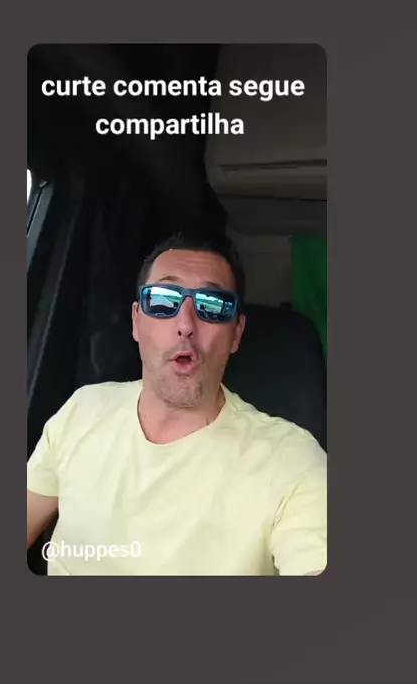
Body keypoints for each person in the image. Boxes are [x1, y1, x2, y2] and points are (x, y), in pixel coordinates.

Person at [27, 230, 327, 576]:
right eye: (163, 300)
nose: (185, 324)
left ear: (236, 333)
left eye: (212, 305)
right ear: (136, 321)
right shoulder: (83, 410)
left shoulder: (292, 461)